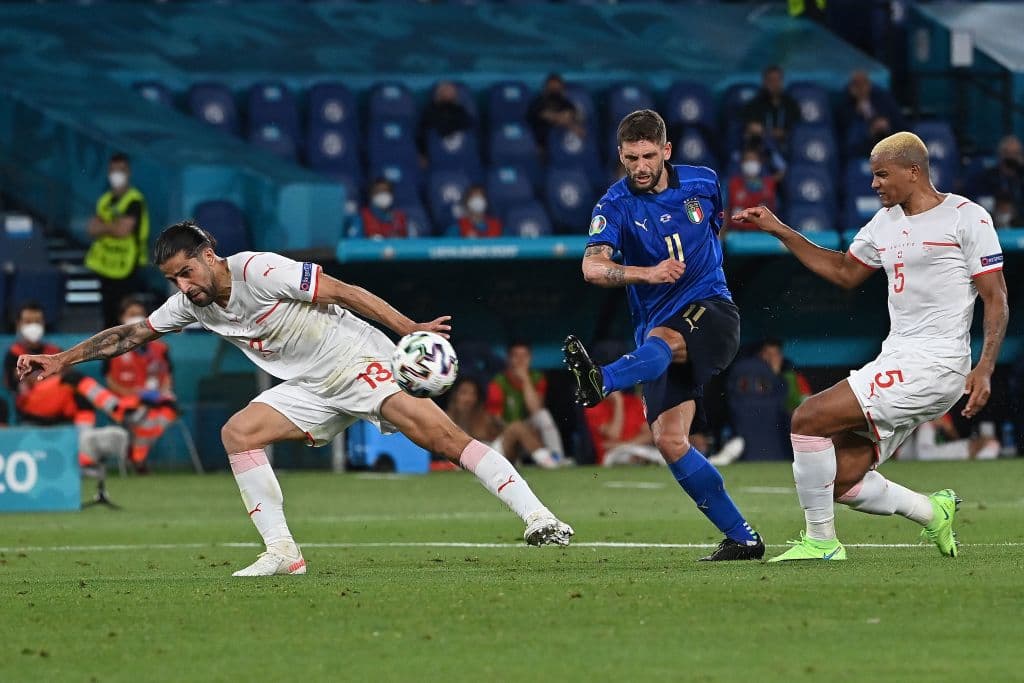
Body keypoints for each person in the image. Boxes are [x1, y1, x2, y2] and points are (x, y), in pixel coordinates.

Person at [18, 221, 574, 576]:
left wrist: (408, 330)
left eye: (187, 271)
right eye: (172, 279)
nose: (183, 287)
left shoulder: (261, 270)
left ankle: (539, 517)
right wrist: (61, 360)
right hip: (309, 387)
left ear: (210, 253)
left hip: (357, 360)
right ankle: (284, 553)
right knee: (238, 432)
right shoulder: (192, 306)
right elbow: (131, 334)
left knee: (444, 439)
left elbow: (347, 292)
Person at [734, 131, 1008, 561]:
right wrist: (780, 230)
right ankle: (931, 511)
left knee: (808, 418)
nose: (874, 184)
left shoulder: (965, 218)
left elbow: (997, 298)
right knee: (840, 479)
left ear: (913, 172)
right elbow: (845, 271)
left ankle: (821, 542)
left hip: (936, 365)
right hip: (898, 358)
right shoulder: (885, 223)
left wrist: (986, 366)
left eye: (882, 174)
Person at [562, 109, 764, 561]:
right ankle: (743, 537)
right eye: (631, 157)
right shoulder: (612, 205)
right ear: (620, 155)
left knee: (664, 341)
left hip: (713, 309)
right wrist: (646, 273)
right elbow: (591, 267)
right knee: (671, 441)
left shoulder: (703, 183)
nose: (640, 166)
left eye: (649, 155)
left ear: (666, 151)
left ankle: (603, 380)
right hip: (654, 329)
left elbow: (716, 224)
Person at [86, 152, 150, 327]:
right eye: (113, 170)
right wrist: (112, 226)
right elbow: (91, 228)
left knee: (126, 312)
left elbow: (123, 230)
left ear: (128, 172)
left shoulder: (134, 200)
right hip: (106, 265)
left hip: (127, 265)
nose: (117, 174)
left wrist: (105, 226)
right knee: (108, 314)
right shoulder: (105, 200)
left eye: (121, 170)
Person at [446, 377, 558, 469]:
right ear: (456, 395)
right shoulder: (447, 416)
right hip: (462, 459)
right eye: (464, 393)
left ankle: (548, 462)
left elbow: (502, 431)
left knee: (517, 427)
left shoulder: (482, 414)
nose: (469, 398)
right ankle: (547, 461)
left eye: (472, 394)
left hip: (491, 453)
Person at [486, 341, 564, 468]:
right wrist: (517, 430)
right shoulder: (498, 382)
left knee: (543, 415)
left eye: (524, 356)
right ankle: (547, 461)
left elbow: (535, 410)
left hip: (532, 437)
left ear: (530, 358)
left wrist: (526, 380)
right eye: (516, 356)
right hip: (505, 437)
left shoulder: (537, 378)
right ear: (509, 359)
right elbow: (495, 420)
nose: (520, 360)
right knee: (517, 427)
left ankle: (557, 457)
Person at [583, 388, 660, 467]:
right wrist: (618, 402)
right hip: (611, 454)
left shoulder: (634, 402)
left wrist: (624, 445)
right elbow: (614, 435)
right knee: (626, 457)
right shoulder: (594, 407)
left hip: (636, 448)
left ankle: (644, 462)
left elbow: (649, 435)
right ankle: (640, 462)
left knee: (662, 455)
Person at [742, 65, 800, 148]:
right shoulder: (754, 105)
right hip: (761, 148)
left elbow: (795, 132)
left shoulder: (791, 105)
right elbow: (751, 130)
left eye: (777, 80)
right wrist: (779, 133)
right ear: (764, 82)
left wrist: (765, 131)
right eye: (771, 80)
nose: (774, 84)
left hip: (789, 148)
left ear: (782, 82)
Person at [416, 80, 474, 158]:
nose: (447, 94)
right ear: (437, 96)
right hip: (436, 158)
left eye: (450, 92)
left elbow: (468, 133)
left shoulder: (461, 112)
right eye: (443, 92)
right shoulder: (429, 113)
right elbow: (422, 138)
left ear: (455, 96)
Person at [526, 73, 584, 149]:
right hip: (541, 142)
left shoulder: (564, 101)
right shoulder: (538, 102)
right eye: (552, 88)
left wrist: (571, 120)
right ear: (545, 88)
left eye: (557, 88)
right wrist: (571, 126)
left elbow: (574, 114)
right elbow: (548, 116)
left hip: (561, 141)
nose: (554, 90)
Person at [726, 147, 778, 231]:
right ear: (742, 163)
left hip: (761, 233)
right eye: (748, 160)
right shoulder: (733, 184)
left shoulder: (769, 184)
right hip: (738, 233)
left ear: (760, 163)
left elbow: (774, 212)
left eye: (753, 160)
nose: (751, 163)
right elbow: (726, 210)